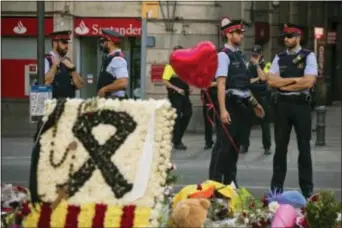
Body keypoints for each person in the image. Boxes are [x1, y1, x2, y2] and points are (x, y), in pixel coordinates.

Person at [210, 19, 265, 185]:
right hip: (230, 104)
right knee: (223, 147)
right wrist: (223, 110)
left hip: (242, 106)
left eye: (242, 32)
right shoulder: (223, 56)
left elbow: (243, 85)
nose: (242, 35)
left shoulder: (240, 57)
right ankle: (215, 184)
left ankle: (230, 183)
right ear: (229, 34)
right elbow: (221, 84)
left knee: (235, 147)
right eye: (238, 33)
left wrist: (256, 104)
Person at [267, 23, 318, 199]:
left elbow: (309, 82)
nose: (286, 39)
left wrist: (284, 83)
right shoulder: (279, 57)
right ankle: (276, 190)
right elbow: (272, 82)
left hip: (301, 106)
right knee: (280, 149)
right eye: (285, 36)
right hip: (282, 106)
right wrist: (296, 82)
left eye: (289, 36)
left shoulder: (309, 56)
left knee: (304, 149)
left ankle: (307, 191)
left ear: (298, 37)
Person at [241, 45, 272, 155]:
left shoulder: (267, 65)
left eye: (256, 55)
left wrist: (257, 65)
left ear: (261, 55)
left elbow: (264, 78)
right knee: (246, 122)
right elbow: (247, 81)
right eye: (253, 55)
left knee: (265, 123)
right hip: (251, 96)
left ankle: (267, 146)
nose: (254, 57)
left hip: (263, 97)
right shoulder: (248, 66)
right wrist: (258, 79)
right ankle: (244, 145)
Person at [162, 46, 192, 150]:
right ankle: (177, 141)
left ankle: (177, 138)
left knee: (188, 113)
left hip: (184, 94)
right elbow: (165, 81)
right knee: (177, 116)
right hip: (175, 95)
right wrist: (177, 89)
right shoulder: (170, 67)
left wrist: (189, 87)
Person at [44, 30, 84, 98]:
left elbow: (80, 85)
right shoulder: (46, 60)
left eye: (67, 43)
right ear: (55, 43)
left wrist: (73, 70)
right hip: (53, 105)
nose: (66, 46)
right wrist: (55, 66)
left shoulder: (67, 60)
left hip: (68, 105)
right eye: (64, 42)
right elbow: (44, 84)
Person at [97, 29, 129, 99]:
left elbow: (123, 83)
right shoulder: (110, 57)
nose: (101, 44)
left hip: (114, 102)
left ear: (110, 42)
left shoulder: (117, 59)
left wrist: (104, 89)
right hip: (109, 101)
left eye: (103, 41)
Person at [200, 79, 217, 149]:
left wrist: (213, 83)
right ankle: (208, 141)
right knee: (207, 122)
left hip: (219, 96)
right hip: (207, 98)